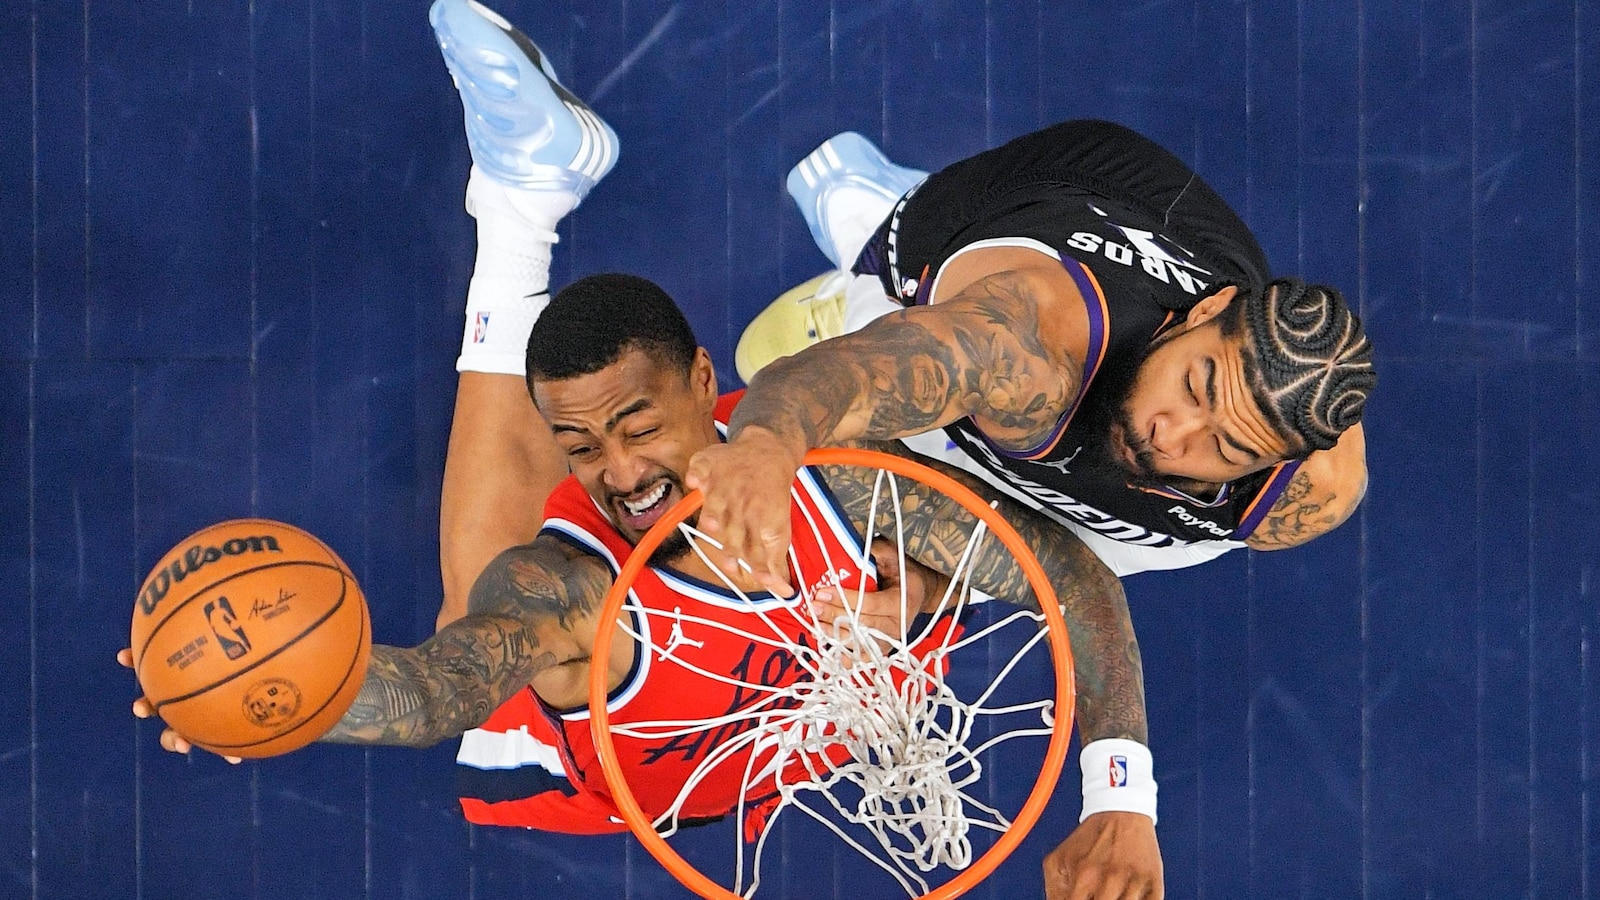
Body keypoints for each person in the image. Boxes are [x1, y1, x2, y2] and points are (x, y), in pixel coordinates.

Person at [124, 2, 1163, 896]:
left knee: (1075, 452)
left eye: (638, 426)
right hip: (675, 735)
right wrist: (291, 703)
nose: (618, 472)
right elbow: (438, 686)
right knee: (481, 610)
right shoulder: (561, 593)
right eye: (575, 443)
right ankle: (879, 249)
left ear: (704, 386)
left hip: (794, 532)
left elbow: (1069, 577)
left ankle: (569, 206)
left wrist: (1123, 794)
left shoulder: (846, 487)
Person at [692, 123, 1376, 587]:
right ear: (1204, 312)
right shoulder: (1023, 354)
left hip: (1120, 359)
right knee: (815, 339)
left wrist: (940, 588)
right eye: (1195, 388)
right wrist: (768, 444)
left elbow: (1075, 567)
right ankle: (865, 216)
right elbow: (850, 376)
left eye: (1226, 447)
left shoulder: (1297, 494)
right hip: (1000, 225)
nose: (1174, 434)